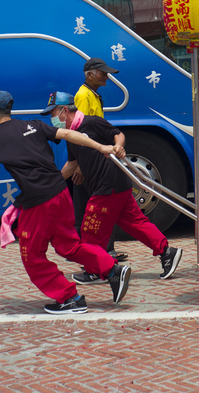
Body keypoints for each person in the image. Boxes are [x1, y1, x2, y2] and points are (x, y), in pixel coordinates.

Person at [0, 90, 132, 315]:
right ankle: (112, 270)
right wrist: (101, 147)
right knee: (69, 246)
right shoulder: (32, 125)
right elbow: (70, 135)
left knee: (32, 256)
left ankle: (69, 298)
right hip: (61, 193)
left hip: (39, 201)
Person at [42, 92, 184, 284]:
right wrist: (53, 182)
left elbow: (118, 134)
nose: (52, 119)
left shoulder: (91, 123)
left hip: (107, 186)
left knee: (90, 229)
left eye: (53, 113)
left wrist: (118, 146)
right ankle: (167, 252)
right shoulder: (71, 135)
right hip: (116, 185)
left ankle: (94, 270)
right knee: (134, 223)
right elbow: (72, 164)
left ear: (64, 111)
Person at [71, 57, 125, 261]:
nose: (106, 76)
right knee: (91, 207)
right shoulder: (83, 95)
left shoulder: (92, 94)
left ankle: (103, 250)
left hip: (93, 158)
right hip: (89, 160)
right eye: (102, 73)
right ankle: (90, 252)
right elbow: (80, 132)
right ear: (89, 74)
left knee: (101, 205)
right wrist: (80, 165)